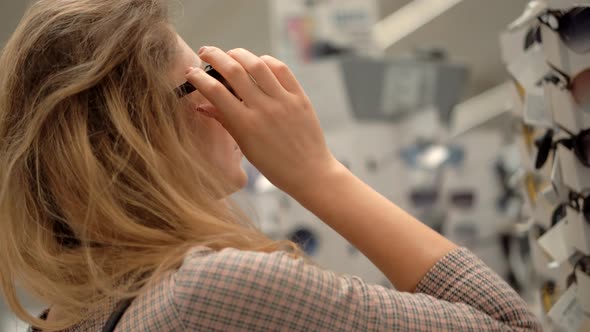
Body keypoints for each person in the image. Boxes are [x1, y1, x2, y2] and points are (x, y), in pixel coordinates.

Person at [0, 0, 542, 331]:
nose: (231, 103)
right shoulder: (206, 294)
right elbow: (513, 327)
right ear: (139, 127)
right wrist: (316, 171)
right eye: (206, 79)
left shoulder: (64, 321)